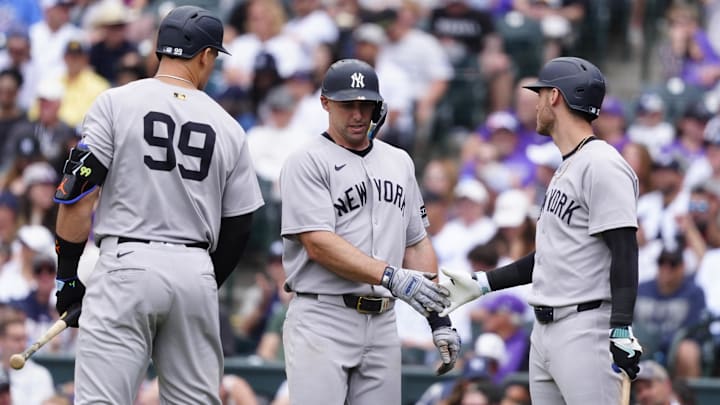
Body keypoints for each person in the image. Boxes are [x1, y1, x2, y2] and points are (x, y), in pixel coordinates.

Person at [51, 6, 264, 404]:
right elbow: (240, 227)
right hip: (195, 268)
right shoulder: (228, 125)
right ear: (205, 55)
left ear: (158, 48)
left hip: (126, 262)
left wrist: (68, 280)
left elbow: (78, 199)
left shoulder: (115, 103)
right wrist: (201, 279)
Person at [440, 57, 643, 404]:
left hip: (585, 326)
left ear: (555, 97)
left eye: (540, 94)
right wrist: (484, 283)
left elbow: (625, 248)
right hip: (546, 328)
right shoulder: (570, 165)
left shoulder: (602, 164)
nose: (535, 104)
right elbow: (550, 257)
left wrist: (621, 327)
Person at [279, 58, 456, 404]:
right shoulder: (307, 160)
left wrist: (439, 318)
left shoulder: (399, 161)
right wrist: (390, 275)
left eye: (366, 105)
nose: (358, 115)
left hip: (383, 322)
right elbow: (318, 244)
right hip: (322, 316)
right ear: (325, 103)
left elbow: (417, 242)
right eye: (348, 105)